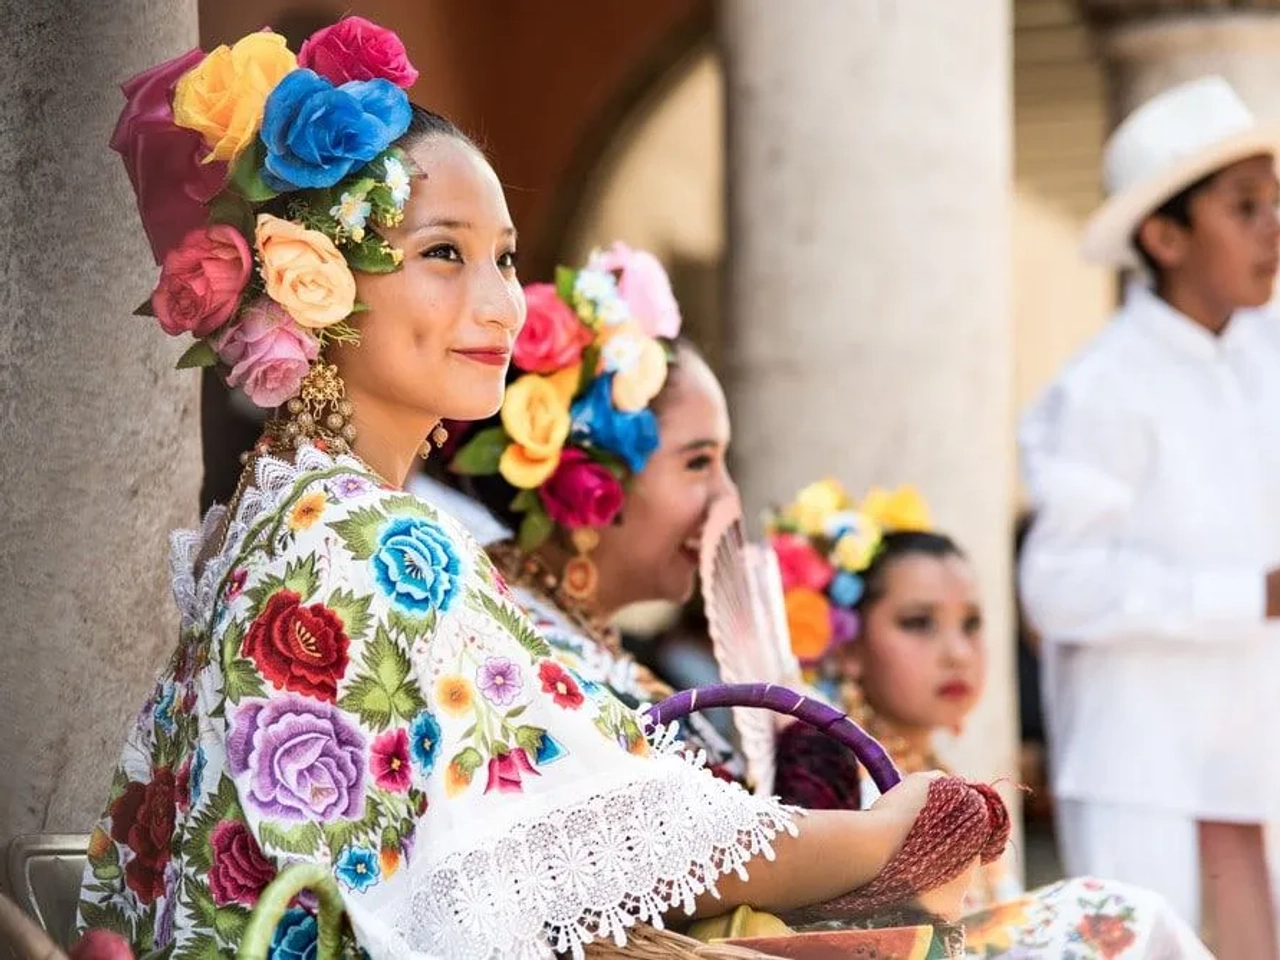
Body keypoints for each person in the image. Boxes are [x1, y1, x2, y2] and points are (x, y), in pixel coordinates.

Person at [79, 22, 984, 960]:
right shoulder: (371, 541)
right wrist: (878, 834)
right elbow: (612, 831)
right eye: (443, 253)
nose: (500, 302)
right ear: (316, 282)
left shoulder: (282, 516)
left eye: (505, 258)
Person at [432, 249, 1209, 955]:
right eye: (700, 464)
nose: (727, 501)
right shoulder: (514, 644)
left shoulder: (590, 646)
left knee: (1119, 919)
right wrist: (871, 841)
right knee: (1116, 925)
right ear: (589, 479)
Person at [1019, 74, 1280, 958]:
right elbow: (1057, 587)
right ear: (1165, 236)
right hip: (1142, 756)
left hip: (1258, 737)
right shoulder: (1103, 388)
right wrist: (1248, 596)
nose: (1273, 227)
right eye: (1245, 207)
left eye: (1275, 201)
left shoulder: (1267, 353)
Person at [761, 481, 1213, 957]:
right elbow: (809, 926)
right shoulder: (823, 753)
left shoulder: (932, 764)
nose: (958, 653)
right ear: (849, 647)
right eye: (919, 622)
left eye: (971, 624)